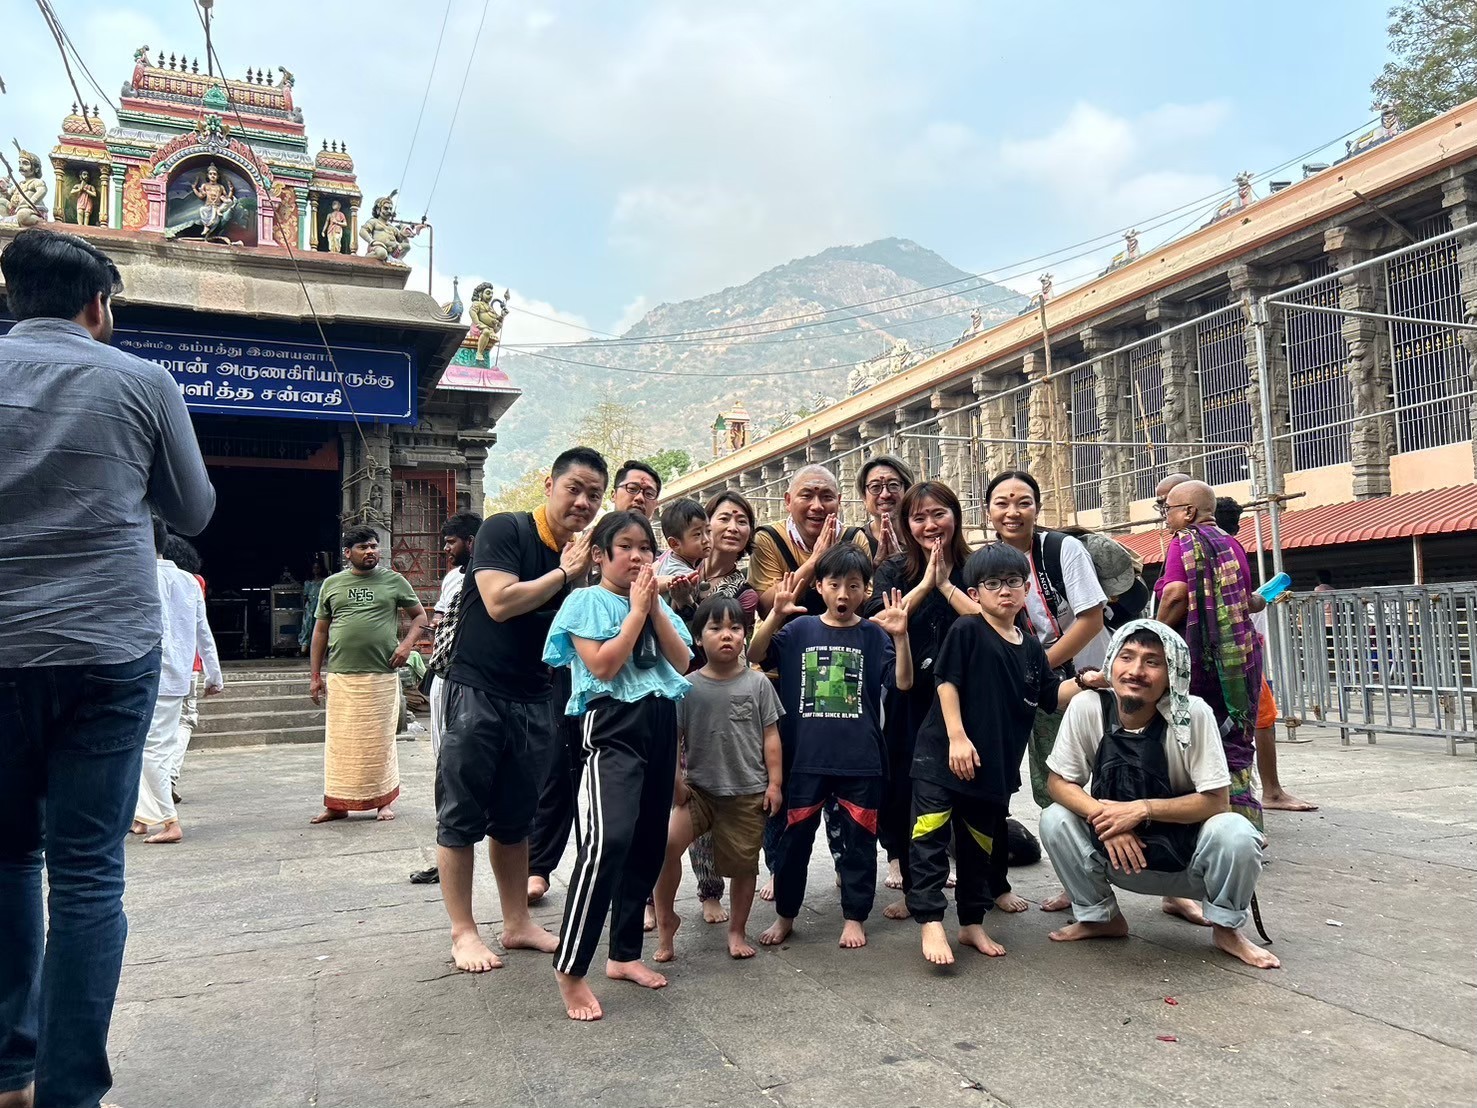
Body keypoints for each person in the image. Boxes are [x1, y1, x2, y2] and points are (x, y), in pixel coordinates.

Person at [0, 228, 215, 1108]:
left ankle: (10, 1071)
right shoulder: (141, 381)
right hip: (107, 650)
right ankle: (71, 1092)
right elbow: (192, 509)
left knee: (9, 858)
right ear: (99, 305)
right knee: (88, 871)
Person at [437, 447, 605, 974]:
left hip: (535, 697)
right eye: (574, 488)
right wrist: (564, 574)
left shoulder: (581, 555)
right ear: (549, 485)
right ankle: (463, 932)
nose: (582, 502)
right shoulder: (505, 530)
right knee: (461, 814)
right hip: (477, 689)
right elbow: (500, 601)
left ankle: (516, 923)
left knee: (516, 819)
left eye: (594, 495)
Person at [1039, 620, 1280, 970]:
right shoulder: (1088, 706)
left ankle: (1226, 929)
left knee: (1237, 831)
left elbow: (1216, 801)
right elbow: (1058, 782)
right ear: (1110, 665)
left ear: (1172, 674)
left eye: (1152, 662)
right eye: (1126, 657)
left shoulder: (1193, 713)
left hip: (1186, 862)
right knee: (1054, 817)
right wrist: (1108, 820)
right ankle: (1100, 918)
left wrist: (1140, 810)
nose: (1136, 671)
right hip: (1117, 855)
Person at [908, 543, 1107, 965]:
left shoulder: (1031, 647)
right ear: (975, 593)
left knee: (979, 847)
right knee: (929, 838)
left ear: (1026, 588)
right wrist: (957, 737)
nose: (1004, 591)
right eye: (993, 584)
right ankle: (930, 921)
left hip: (993, 770)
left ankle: (971, 923)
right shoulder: (967, 630)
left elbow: (1050, 697)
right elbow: (947, 682)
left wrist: (1087, 682)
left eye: (1013, 582)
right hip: (942, 759)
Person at [543, 510, 694, 1022]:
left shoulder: (656, 604)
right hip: (611, 725)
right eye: (625, 546)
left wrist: (651, 609)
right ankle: (571, 968)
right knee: (607, 842)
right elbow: (604, 666)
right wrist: (635, 612)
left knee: (648, 842)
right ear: (600, 555)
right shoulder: (585, 600)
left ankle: (624, 953)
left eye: (645, 548)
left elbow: (683, 662)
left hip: (660, 722)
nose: (636, 556)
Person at [750, 545, 913, 950]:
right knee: (792, 845)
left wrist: (901, 636)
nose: (843, 594)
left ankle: (854, 917)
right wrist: (775, 615)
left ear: (866, 589)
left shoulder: (874, 635)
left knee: (859, 844)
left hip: (860, 761)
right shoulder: (798, 631)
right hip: (805, 761)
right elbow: (754, 653)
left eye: (853, 586)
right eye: (835, 584)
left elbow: (904, 682)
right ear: (819, 587)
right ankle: (786, 915)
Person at [527, 458, 661, 903]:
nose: (639, 496)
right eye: (632, 488)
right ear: (615, 495)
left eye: (648, 491)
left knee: (633, 803)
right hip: (581, 676)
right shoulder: (588, 543)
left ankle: (628, 888)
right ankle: (540, 865)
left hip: (641, 687)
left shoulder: (651, 559)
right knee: (561, 772)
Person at [986, 469, 1108, 913]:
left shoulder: (1061, 549)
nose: (1012, 512)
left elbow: (1091, 618)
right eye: (1002, 503)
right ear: (988, 511)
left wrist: (1036, 667)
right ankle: (1074, 881)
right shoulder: (988, 562)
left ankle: (1131, 884)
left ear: (1037, 507)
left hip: (1081, 680)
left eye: (1023, 502)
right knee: (1045, 782)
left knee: (1096, 778)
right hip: (1031, 687)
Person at [865, 480, 977, 913]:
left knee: (974, 789)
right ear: (906, 525)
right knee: (905, 789)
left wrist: (947, 585)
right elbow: (879, 620)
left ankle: (986, 886)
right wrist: (927, 582)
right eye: (919, 517)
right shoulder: (894, 571)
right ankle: (915, 888)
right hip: (909, 694)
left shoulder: (975, 566)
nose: (930, 525)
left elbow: (994, 620)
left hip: (969, 697)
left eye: (938, 514)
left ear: (956, 516)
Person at [652, 596, 784, 963]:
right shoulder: (686, 687)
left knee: (744, 866)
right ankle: (666, 922)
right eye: (715, 628)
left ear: (746, 634)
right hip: (698, 791)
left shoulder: (758, 684)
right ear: (698, 638)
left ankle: (737, 930)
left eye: (735, 628)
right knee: (665, 847)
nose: (727, 635)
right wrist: (676, 781)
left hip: (747, 791)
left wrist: (774, 784)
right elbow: (673, 740)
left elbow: (771, 737)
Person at [1154, 481, 1267, 833]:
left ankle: (1199, 821)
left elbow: (1175, 594)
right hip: (1237, 664)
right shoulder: (1230, 543)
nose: (1165, 517)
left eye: (1168, 509)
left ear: (1188, 512)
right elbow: (1246, 599)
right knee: (1232, 740)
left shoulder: (1185, 541)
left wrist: (1152, 635)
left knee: (1196, 738)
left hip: (1200, 663)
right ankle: (1244, 824)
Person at [308, 527, 428, 824]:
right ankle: (337, 805)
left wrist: (406, 646)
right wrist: (315, 676)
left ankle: (383, 802)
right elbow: (320, 632)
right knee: (340, 744)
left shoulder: (394, 581)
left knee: (380, 741)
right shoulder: (332, 585)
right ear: (347, 553)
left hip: (381, 675)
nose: (371, 551)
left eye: (374, 546)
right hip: (342, 676)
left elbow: (420, 617)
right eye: (363, 547)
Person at [1214, 497, 1317, 813]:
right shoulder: (1226, 547)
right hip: (1235, 652)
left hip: (1220, 650)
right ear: (1237, 526)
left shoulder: (1194, 546)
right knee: (1260, 718)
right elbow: (1242, 601)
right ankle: (1268, 791)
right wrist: (1258, 600)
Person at [131, 518, 224, 844]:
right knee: (150, 747)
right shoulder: (188, 581)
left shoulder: (138, 577)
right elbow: (203, 632)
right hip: (177, 676)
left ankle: (169, 821)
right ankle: (142, 817)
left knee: (149, 750)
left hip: (146, 673)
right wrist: (214, 675)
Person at [410, 511, 483, 885]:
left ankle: (454, 850)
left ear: (471, 542)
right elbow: (442, 623)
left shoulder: (489, 576)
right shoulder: (454, 578)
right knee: (445, 764)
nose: (445, 549)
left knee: (459, 769)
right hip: (444, 676)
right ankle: (447, 852)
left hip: (469, 681)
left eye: (451, 542)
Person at [162, 534, 206, 804]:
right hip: (189, 662)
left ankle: (156, 782)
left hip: (156, 660)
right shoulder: (194, 582)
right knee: (185, 719)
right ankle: (168, 777)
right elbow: (201, 627)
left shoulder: (148, 578)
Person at [855, 454, 917, 564]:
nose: (885, 494)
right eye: (875, 487)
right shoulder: (855, 542)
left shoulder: (921, 538)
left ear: (907, 490)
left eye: (893, 485)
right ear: (864, 496)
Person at [655, 497, 710, 618]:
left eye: (708, 531)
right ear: (674, 543)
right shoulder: (685, 577)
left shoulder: (668, 556)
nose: (706, 539)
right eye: (697, 534)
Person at [299, 562, 327, 655]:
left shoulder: (325, 581)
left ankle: (320, 648)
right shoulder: (308, 583)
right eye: (314, 568)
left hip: (321, 605)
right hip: (310, 607)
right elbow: (305, 596)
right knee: (307, 626)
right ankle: (304, 647)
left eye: (318, 568)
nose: (316, 570)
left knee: (321, 626)